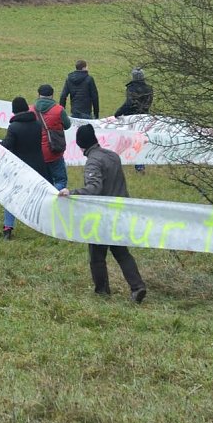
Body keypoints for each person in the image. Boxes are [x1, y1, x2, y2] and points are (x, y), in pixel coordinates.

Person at [58, 124, 147, 303]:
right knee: (121, 253)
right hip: (119, 211)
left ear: (81, 144)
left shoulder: (93, 161)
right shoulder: (113, 156)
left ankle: (102, 291)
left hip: (102, 216)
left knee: (97, 256)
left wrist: (72, 193)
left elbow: (94, 188)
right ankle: (138, 286)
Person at [0, 97, 49, 240]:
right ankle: (42, 224)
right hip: (38, 165)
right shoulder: (37, 124)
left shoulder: (13, 127)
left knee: (11, 196)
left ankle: (8, 227)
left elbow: (8, 145)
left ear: (14, 110)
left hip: (19, 167)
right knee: (37, 196)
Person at [114, 67, 154, 174]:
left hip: (131, 118)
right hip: (144, 117)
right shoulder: (149, 89)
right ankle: (139, 165)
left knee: (128, 140)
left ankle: (124, 161)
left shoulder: (131, 89)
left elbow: (129, 103)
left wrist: (118, 113)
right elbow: (148, 103)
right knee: (139, 141)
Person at [33, 84, 72, 190]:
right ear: (52, 95)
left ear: (38, 94)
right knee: (61, 180)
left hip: (38, 153)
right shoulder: (59, 110)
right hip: (54, 150)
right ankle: (54, 201)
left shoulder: (31, 110)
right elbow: (67, 125)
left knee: (45, 182)